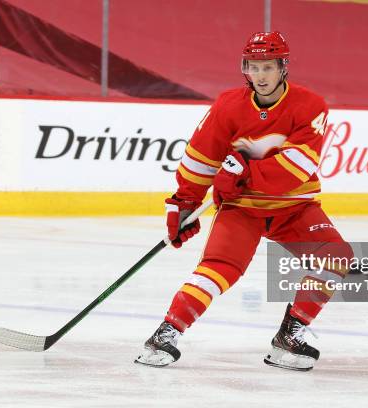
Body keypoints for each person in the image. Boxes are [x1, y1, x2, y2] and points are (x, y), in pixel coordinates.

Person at [135, 31, 353, 371]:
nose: (260, 75)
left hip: (294, 208)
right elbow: (200, 159)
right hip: (242, 210)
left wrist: (244, 172)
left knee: (336, 256)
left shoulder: (310, 105)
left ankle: (290, 335)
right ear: (244, 68)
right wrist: (183, 204)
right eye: (253, 67)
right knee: (217, 269)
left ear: (283, 67)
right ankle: (165, 334)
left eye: (267, 66)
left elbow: (298, 166)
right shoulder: (228, 105)